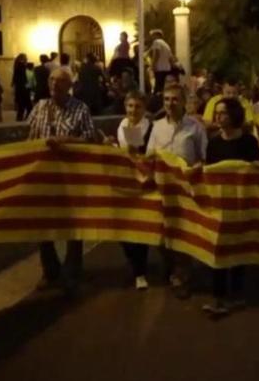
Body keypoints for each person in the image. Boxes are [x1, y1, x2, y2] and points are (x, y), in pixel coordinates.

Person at [26, 69, 98, 295]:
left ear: (69, 86)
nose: (54, 84)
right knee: (41, 226)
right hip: (44, 177)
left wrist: (66, 141)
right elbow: (29, 138)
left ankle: (72, 273)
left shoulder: (80, 109)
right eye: (51, 80)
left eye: (60, 81)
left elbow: (89, 140)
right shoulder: (39, 108)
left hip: (71, 177)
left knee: (73, 226)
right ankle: (50, 271)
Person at [203, 98, 259, 318]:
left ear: (234, 115)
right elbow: (209, 171)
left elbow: (257, 167)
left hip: (240, 204)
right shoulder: (214, 142)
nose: (218, 117)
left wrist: (256, 166)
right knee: (218, 248)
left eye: (223, 113)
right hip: (219, 205)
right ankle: (218, 296)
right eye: (217, 113)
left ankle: (237, 294)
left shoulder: (248, 142)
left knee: (238, 247)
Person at [146, 83, 208, 299]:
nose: (170, 104)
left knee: (183, 233)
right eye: (166, 100)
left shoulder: (195, 127)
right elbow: (149, 155)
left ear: (183, 102)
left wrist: (197, 169)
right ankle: (172, 266)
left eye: (174, 99)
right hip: (162, 189)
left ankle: (182, 275)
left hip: (185, 190)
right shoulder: (156, 126)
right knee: (161, 233)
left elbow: (203, 156)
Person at [106, 91, 153, 290]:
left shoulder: (150, 128)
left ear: (144, 108)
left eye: (137, 107)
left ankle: (139, 271)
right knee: (121, 225)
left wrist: (139, 153)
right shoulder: (123, 125)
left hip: (144, 182)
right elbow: (122, 151)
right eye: (130, 106)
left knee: (140, 225)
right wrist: (113, 146)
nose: (133, 110)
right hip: (124, 181)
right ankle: (134, 262)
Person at [146, 29, 174, 94]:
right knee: (162, 86)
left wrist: (153, 65)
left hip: (160, 68)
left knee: (158, 86)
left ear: (156, 35)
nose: (152, 37)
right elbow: (170, 57)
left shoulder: (157, 42)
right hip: (166, 68)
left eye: (153, 35)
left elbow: (156, 53)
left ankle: (156, 99)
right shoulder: (166, 44)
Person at [12, 54, 32, 121]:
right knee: (29, 107)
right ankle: (26, 120)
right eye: (26, 58)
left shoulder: (17, 66)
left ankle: (20, 121)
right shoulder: (22, 67)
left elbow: (15, 80)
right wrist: (28, 87)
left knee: (21, 108)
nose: (27, 59)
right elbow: (24, 79)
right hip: (23, 90)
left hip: (19, 90)